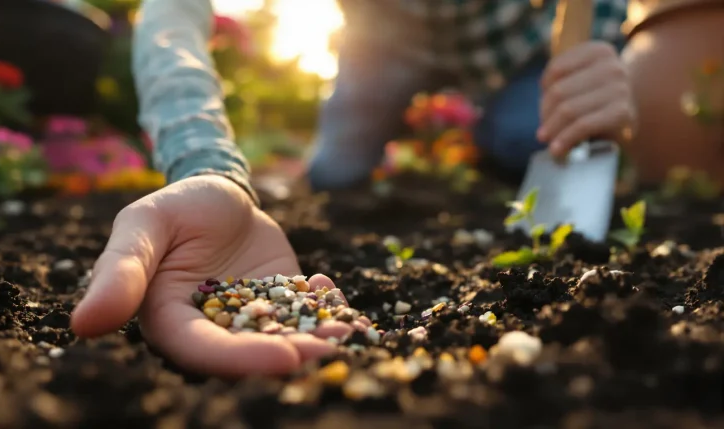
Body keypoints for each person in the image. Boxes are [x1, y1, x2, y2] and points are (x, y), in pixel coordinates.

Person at [70, 0, 636, 376]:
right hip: (386, 36)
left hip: (515, 41)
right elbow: (173, 12)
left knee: (522, 138)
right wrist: (205, 167)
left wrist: (600, 60)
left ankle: (495, 143)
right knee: (335, 174)